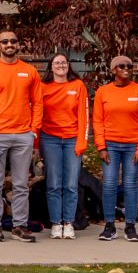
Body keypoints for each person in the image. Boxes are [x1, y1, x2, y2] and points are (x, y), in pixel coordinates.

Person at [0, 28, 44, 241]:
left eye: (13, 41)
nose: (9, 44)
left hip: (23, 134)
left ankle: (19, 225)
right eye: (4, 41)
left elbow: (38, 103)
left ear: (18, 45)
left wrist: (34, 132)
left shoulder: (29, 71)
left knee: (21, 184)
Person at [90, 55, 138, 242]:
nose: (126, 68)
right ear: (113, 70)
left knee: (130, 185)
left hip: (133, 146)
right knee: (109, 184)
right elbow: (97, 121)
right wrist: (101, 146)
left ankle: (130, 226)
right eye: (121, 66)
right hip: (110, 145)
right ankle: (109, 226)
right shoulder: (103, 92)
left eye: (129, 66)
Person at [39, 52, 91, 239]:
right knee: (53, 183)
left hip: (72, 139)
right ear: (50, 67)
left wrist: (81, 141)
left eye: (64, 62)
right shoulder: (42, 87)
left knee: (70, 184)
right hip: (49, 139)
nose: (61, 65)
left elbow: (84, 116)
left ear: (68, 66)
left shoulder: (77, 86)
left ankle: (68, 223)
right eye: (57, 62)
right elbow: (37, 114)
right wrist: (37, 144)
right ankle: (55, 223)